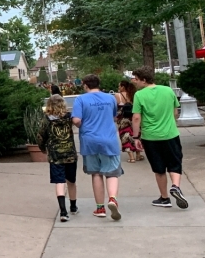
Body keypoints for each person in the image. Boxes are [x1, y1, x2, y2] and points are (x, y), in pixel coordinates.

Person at [131, 67, 188, 209]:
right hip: (170, 134)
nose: (134, 82)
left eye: (136, 79)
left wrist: (136, 137)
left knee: (159, 168)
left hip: (150, 137)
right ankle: (175, 186)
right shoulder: (168, 91)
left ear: (144, 80)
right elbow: (175, 112)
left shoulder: (139, 95)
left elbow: (136, 117)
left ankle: (164, 198)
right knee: (175, 163)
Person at [72, 73, 123, 220]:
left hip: (90, 140)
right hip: (109, 140)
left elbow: (76, 120)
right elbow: (114, 116)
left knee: (96, 173)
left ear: (85, 85)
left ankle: (100, 208)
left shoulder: (80, 99)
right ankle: (112, 199)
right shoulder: (110, 98)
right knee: (112, 173)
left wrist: (83, 125)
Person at [38, 94, 79, 221]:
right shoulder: (69, 117)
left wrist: (43, 148)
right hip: (70, 154)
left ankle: (63, 212)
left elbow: (40, 136)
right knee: (71, 181)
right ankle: (73, 206)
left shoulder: (46, 120)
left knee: (59, 182)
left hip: (55, 156)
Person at [115, 80, 143, 162]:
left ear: (123, 87)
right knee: (136, 135)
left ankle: (131, 157)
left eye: (119, 86)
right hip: (134, 118)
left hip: (123, 119)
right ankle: (138, 155)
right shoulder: (134, 94)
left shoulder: (118, 95)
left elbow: (115, 107)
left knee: (125, 137)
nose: (118, 88)